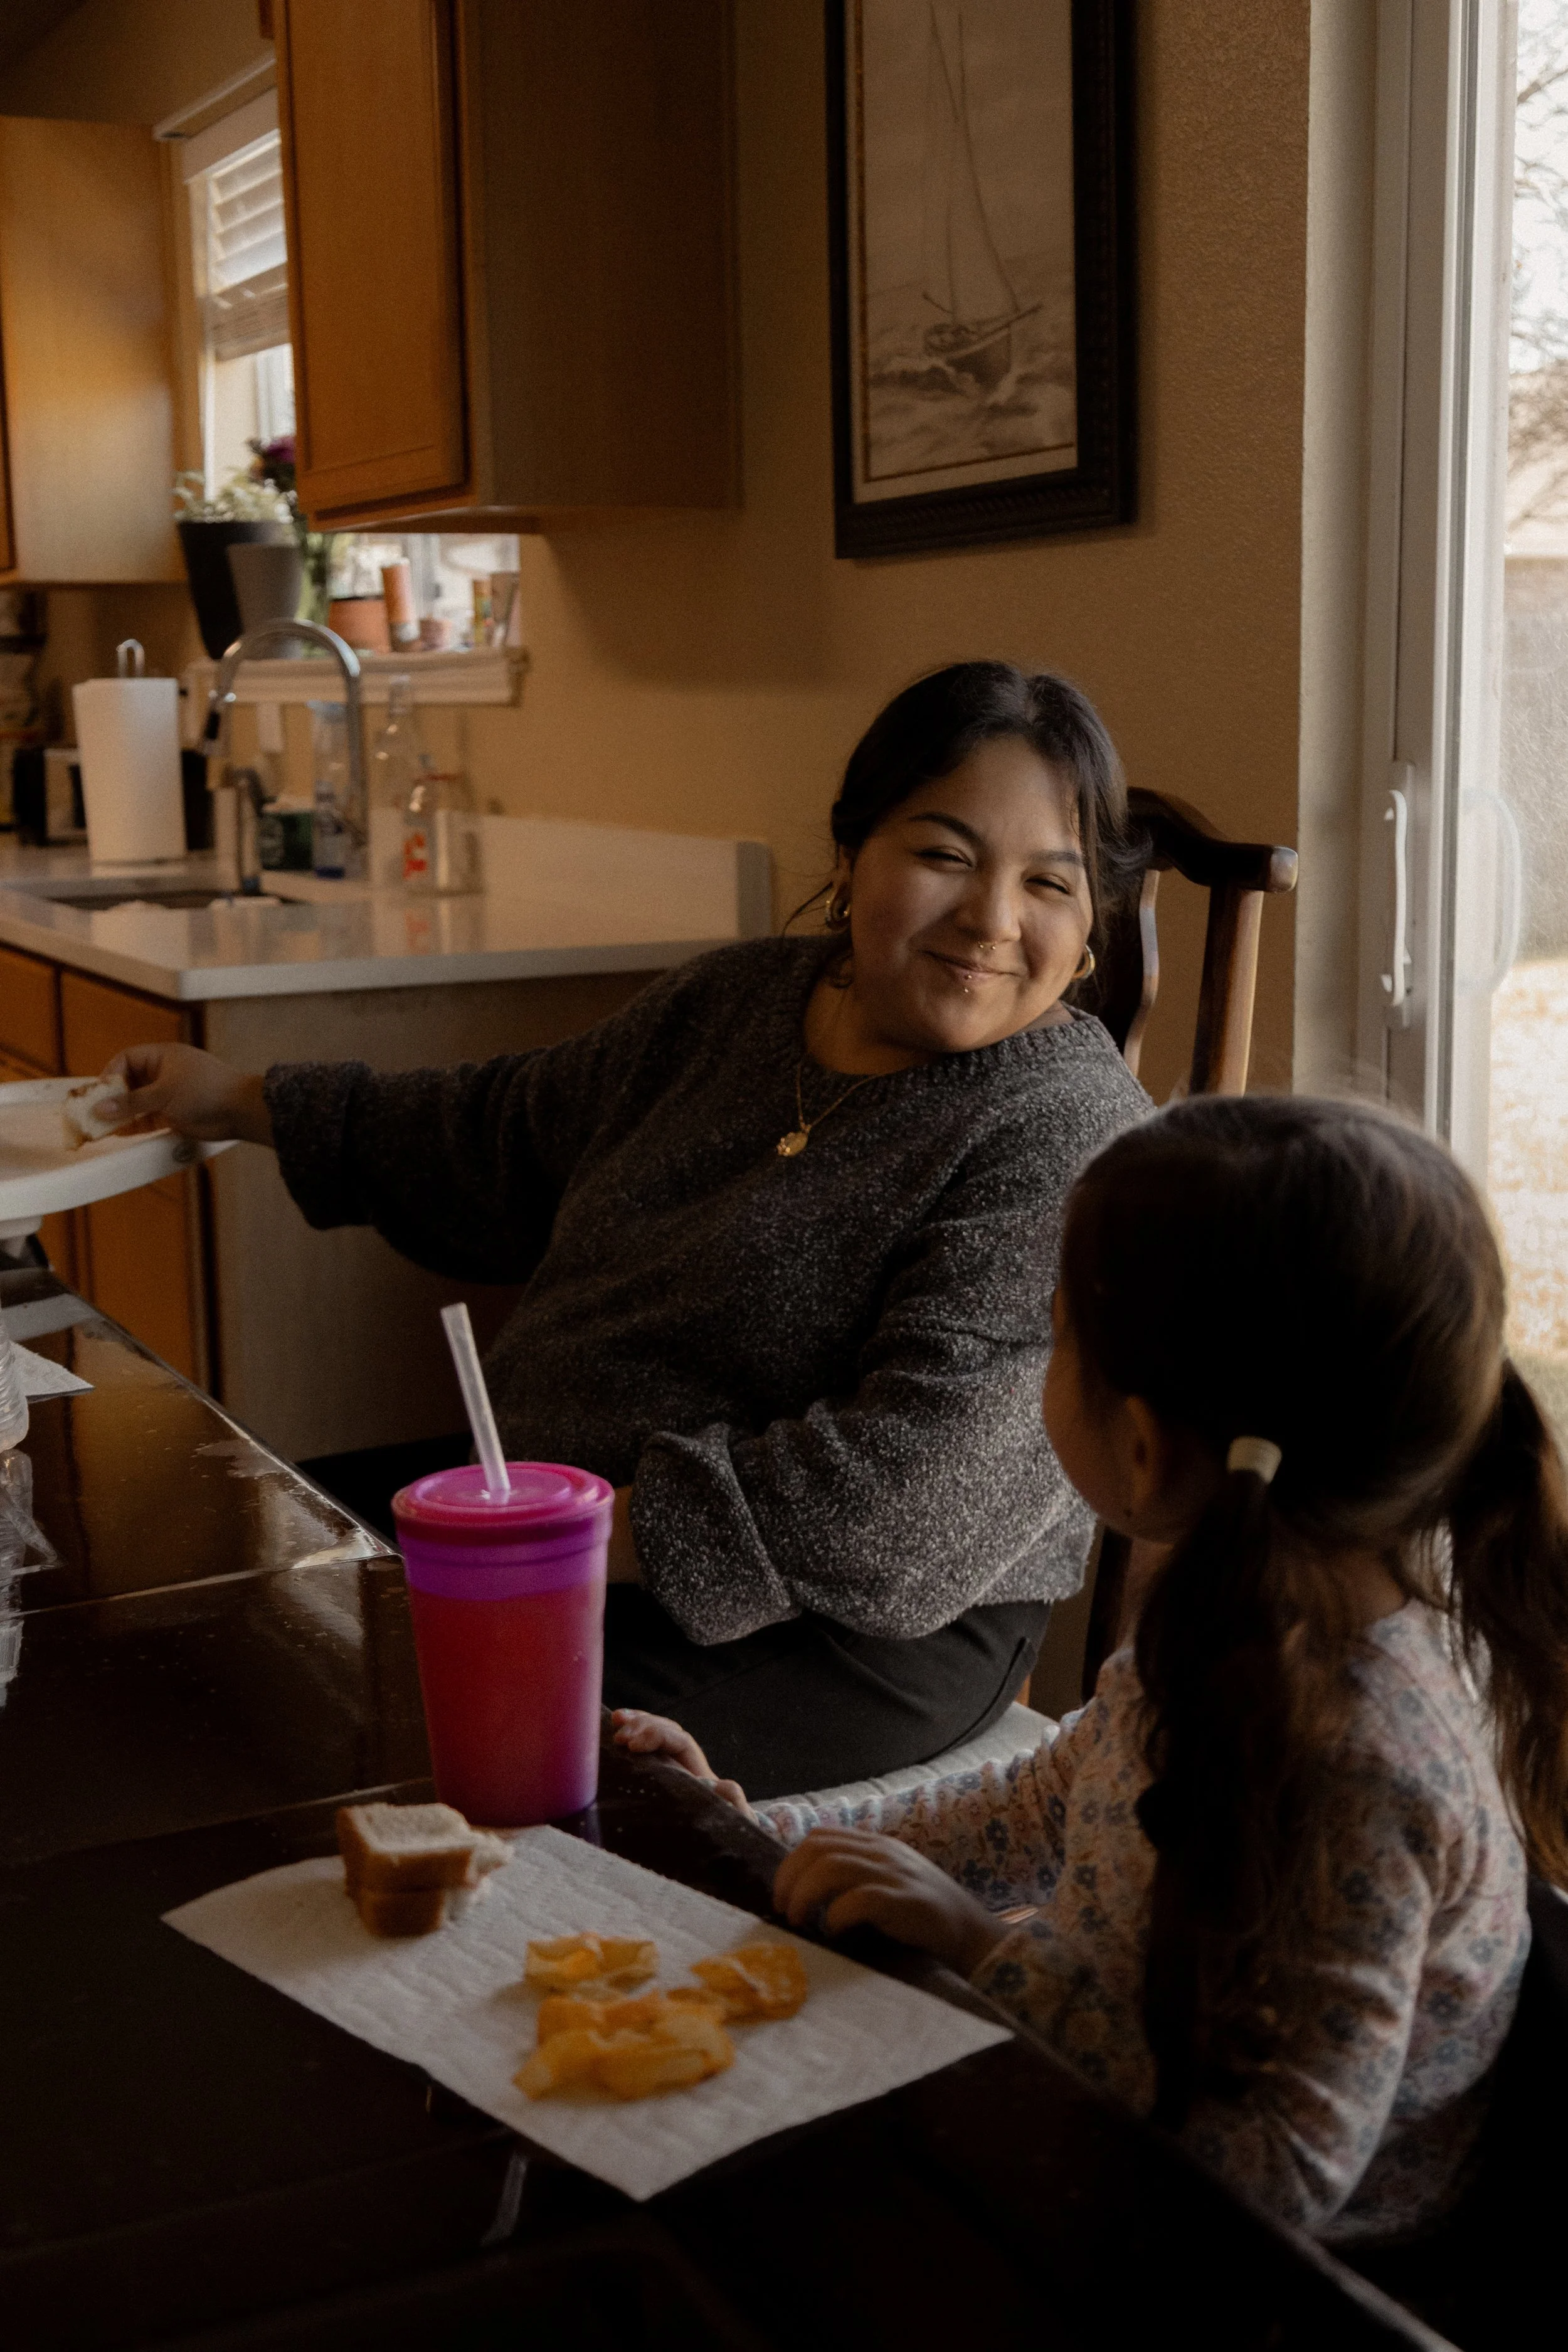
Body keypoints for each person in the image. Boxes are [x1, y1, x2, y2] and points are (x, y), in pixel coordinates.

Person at [100, 662, 1147, 1797]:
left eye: (1051, 881)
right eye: (945, 853)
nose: (994, 919)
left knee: (378, 1742)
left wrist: (547, 1547)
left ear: (1091, 923)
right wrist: (237, 1099)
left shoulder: (1068, 1130)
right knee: (207, 1584)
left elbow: (908, 1507)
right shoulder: (735, 1004)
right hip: (548, 1512)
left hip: (842, 1625)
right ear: (852, 857)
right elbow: (498, 1135)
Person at [615, 1096, 1568, 2243]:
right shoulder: (1236, 1615)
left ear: (1146, 1443)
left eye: (1057, 1335)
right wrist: (769, 1834)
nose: (1045, 1364)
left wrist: (985, 1953)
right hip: (1091, 2110)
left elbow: (1270, 2179)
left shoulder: (1359, 1771)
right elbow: (1043, 1804)